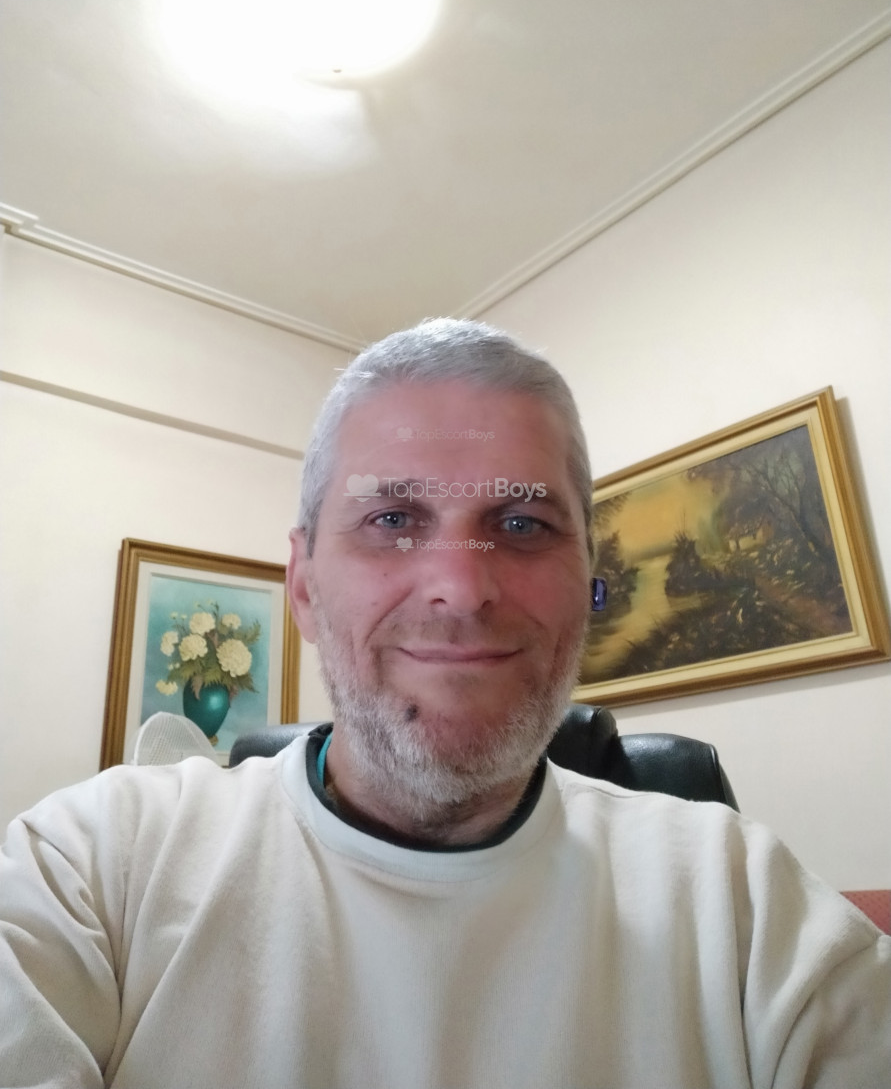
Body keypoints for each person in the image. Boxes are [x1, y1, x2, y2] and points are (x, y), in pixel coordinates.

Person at [1, 318, 888, 1088]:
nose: (461, 590)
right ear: (304, 585)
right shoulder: (93, 866)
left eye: (522, 525)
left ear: (588, 578)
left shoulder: (743, 904)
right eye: (391, 520)